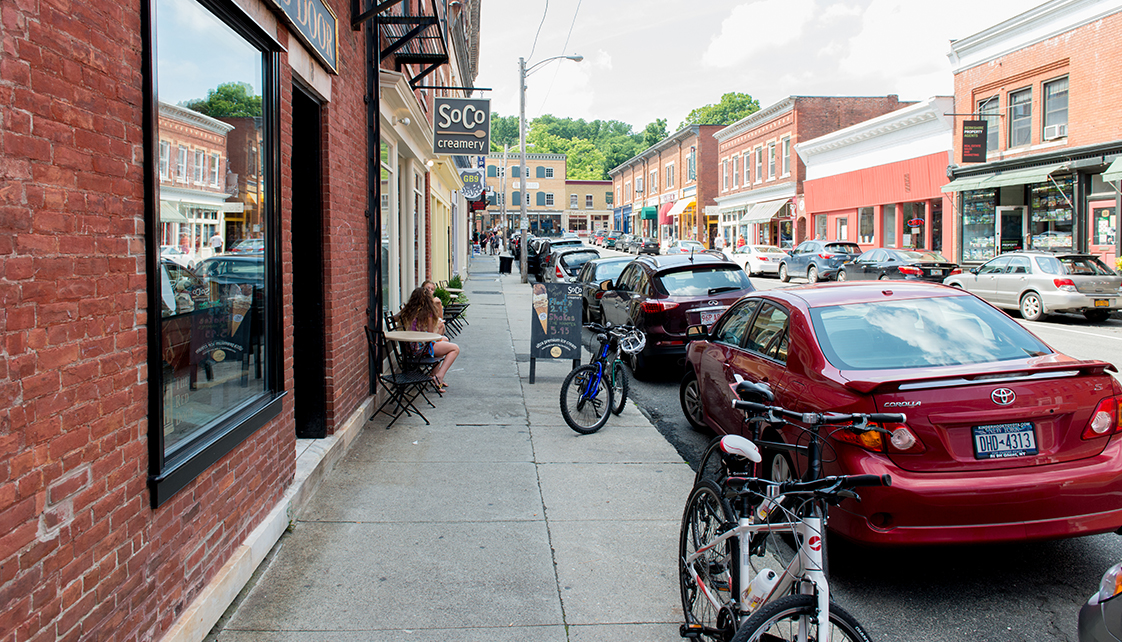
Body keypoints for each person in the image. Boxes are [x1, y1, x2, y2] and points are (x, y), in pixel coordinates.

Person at [399, 287, 459, 389]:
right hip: (420, 349)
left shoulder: (407, 311)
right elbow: (430, 336)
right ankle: (439, 376)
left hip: (409, 347)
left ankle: (432, 374)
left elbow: (395, 317)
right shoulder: (427, 314)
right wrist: (439, 327)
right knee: (455, 348)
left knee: (445, 340)